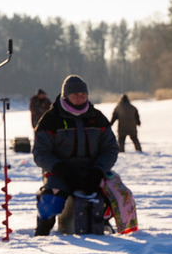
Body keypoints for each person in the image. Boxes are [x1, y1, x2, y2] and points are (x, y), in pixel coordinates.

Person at [32, 75, 119, 236]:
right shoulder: (50, 119)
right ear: (66, 96)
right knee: (52, 201)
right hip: (60, 172)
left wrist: (99, 170)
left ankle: (102, 222)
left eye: (83, 95)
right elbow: (40, 153)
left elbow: (111, 148)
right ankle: (42, 230)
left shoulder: (98, 118)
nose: (80, 99)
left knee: (117, 196)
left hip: (93, 171)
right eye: (75, 96)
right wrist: (59, 168)